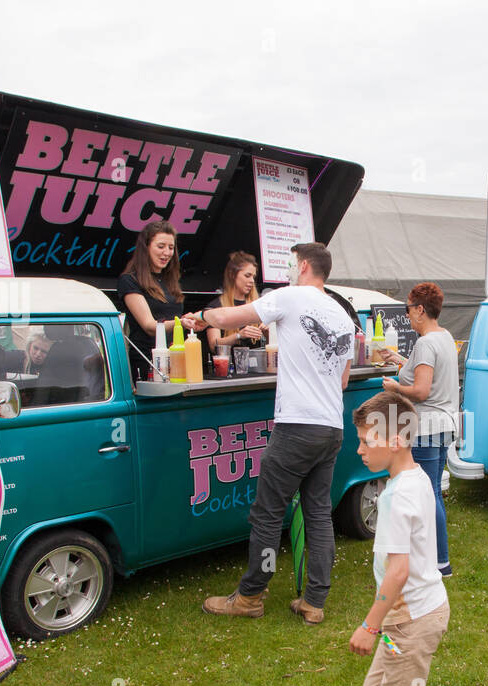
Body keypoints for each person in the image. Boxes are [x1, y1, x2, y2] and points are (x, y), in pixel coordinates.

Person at [201, 242, 355, 621]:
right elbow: (344, 380)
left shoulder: (290, 296)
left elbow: (226, 317)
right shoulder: (341, 313)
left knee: (268, 513)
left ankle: (252, 594)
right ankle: (314, 602)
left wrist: (201, 315)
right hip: (330, 425)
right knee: (319, 513)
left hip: (297, 425)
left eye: (290, 264)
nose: (286, 270)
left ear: (303, 266)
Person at [348, 391, 472, 686]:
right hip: (412, 614)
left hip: (411, 620)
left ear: (394, 440)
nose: (359, 449)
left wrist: (369, 625)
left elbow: (398, 572)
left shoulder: (398, 497)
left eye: (365, 441)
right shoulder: (414, 480)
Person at [379, 282, 459, 578]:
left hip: (427, 426)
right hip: (446, 423)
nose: (408, 315)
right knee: (433, 492)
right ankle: (438, 560)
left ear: (421, 309)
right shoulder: (444, 336)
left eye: (408, 309)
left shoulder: (425, 342)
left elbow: (423, 390)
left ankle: (439, 562)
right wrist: (399, 360)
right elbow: (429, 375)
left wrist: (395, 386)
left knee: (429, 494)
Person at [118, 220, 193, 382]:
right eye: (161, 246)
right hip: (148, 362)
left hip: (176, 359)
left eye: (171, 248)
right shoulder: (129, 280)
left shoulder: (169, 280)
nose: (166, 252)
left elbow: (175, 319)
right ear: (146, 247)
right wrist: (180, 322)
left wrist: (193, 320)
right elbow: (149, 326)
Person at [205, 251, 266, 352]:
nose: (252, 281)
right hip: (228, 364)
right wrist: (238, 336)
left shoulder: (258, 304)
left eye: (253, 277)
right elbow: (213, 344)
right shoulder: (216, 306)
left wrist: (268, 332)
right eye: (247, 275)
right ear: (232, 275)